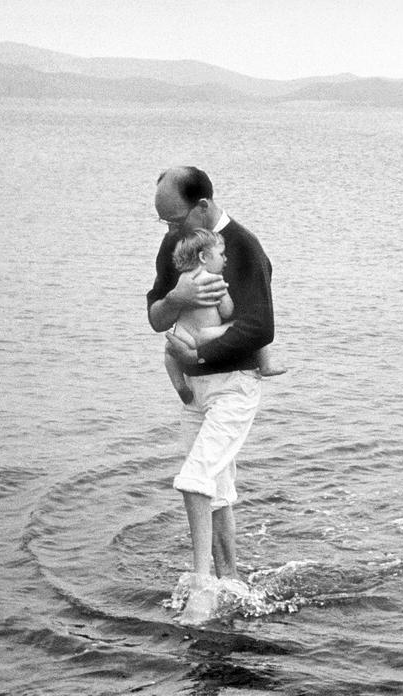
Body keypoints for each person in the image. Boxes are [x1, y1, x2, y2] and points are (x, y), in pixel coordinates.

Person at [146, 166, 276, 623]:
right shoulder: (177, 247)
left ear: (202, 206)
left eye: (175, 219)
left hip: (234, 386)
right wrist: (177, 299)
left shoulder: (244, 247)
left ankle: (202, 588)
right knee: (217, 490)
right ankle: (230, 581)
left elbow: (260, 327)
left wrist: (199, 350)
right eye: (163, 222)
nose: (169, 230)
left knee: (194, 479)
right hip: (195, 394)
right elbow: (157, 316)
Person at [164, 228, 284, 405]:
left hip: (182, 336)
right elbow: (227, 310)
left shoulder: (183, 279)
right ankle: (265, 365)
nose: (225, 258)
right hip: (205, 334)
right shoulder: (215, 280)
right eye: (221, 254)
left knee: (169, 351)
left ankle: (180, 386)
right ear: (204, 258)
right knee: (252, 324)